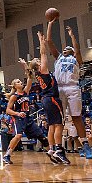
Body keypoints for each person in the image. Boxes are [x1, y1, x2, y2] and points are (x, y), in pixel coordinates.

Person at [47, 20, 92, 159]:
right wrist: (50, 24)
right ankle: (58, 148)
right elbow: (49, 41)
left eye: (69, 48)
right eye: (65, 48)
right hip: (60, 89)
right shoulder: (59, 57)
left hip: (73, 87)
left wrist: (72, 36)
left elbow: (78, 50)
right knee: (59, 120)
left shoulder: (76, 59)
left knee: (76, 117)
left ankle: (85, 145)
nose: (66, 49)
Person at [29, 31, 69, 164]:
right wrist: (41, 41)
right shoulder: (43, 70)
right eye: (39, 61)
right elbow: (43, 53)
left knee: (52, 126)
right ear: (38, 65)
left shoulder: (39, 74)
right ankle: (59, 150)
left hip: (46, 100)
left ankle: (51, 149)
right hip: (52, 98)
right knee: (59, 125)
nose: (41, 61)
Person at [2, 58, 49, 165]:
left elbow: (30, 77)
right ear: (14, 86)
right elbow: (8, 110)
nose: (20, 82)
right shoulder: (14, 96)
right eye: (18, 82)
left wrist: (25, 65)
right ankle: (7, 155)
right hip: (18, 118)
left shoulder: (26, 92)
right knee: (18, 136)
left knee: (42, 137)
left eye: (20, 81)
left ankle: (51, 152)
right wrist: (17, 113)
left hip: (28, 118)